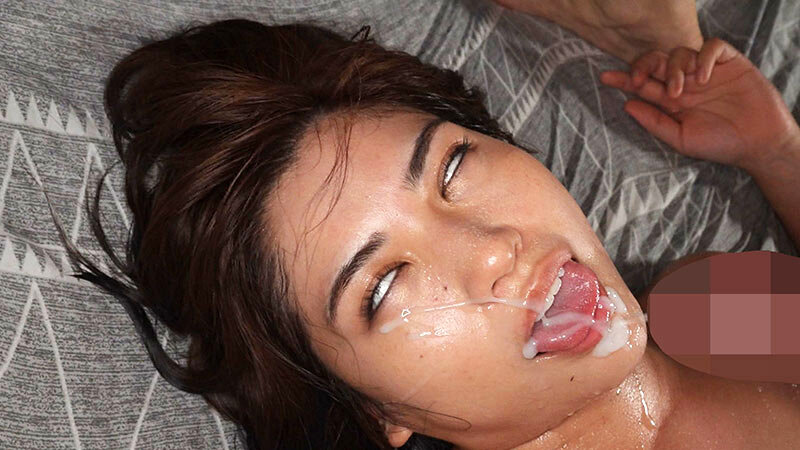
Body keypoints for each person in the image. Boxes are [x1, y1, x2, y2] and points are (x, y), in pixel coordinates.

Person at [52, 16, 800, 450]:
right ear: (377, 411)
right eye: (383, 285)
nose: (492, 248)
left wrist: (776, 153)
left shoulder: (707, 300)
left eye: (452, 167)